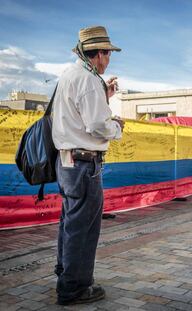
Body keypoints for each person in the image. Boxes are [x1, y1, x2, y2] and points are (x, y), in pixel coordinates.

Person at [52, 26, 124, 305]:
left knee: (70, 223)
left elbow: (77, 116)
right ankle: (74, 287)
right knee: (84, 227)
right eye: (108, 54)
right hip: (84, 164)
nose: (109, 60)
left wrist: (102, 96)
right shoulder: (89, 79)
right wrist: (116, 126)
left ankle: (65, 274)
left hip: (67, 162)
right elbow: (96, 125)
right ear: (100, 54)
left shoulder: (70, 75)